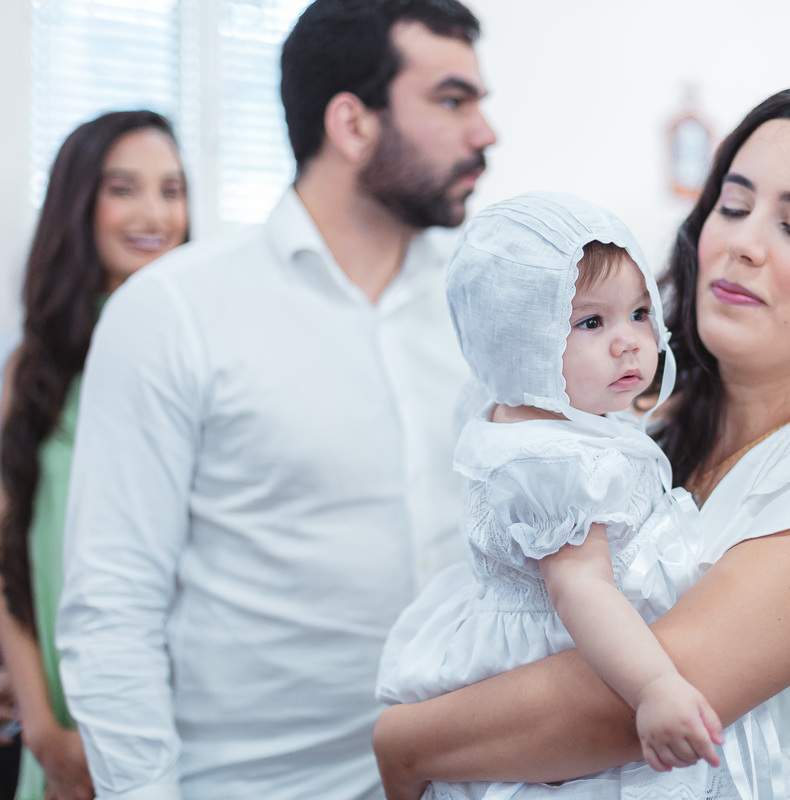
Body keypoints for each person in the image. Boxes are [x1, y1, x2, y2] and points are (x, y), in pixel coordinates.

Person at [373, 85, 790, 800]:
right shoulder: (636, 436)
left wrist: (405, 742)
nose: (742, 244)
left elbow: (637, 699)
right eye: (732, 206)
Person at [54, 1, 496, 798]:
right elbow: (112, 608)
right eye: (453, 101)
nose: (484, 133)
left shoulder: (487, 309)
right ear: (352, 123)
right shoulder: (173, 312)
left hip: (470, 779)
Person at [378, 191, 734, 794]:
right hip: (566, 665)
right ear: (517, 339)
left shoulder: (559, 412)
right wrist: (653, 688)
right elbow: (582, 589)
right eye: (591, 322)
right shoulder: (548, 460)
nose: (628, 342)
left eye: (641, 313)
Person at [0, 110, 189, 800]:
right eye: (124, 188)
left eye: (171, 190)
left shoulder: (196, 360)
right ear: (79, 205)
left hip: (182, 705)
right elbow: (8, 552)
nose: (154, 213)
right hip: (58, 709)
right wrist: (44, 730)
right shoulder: (33, 370)